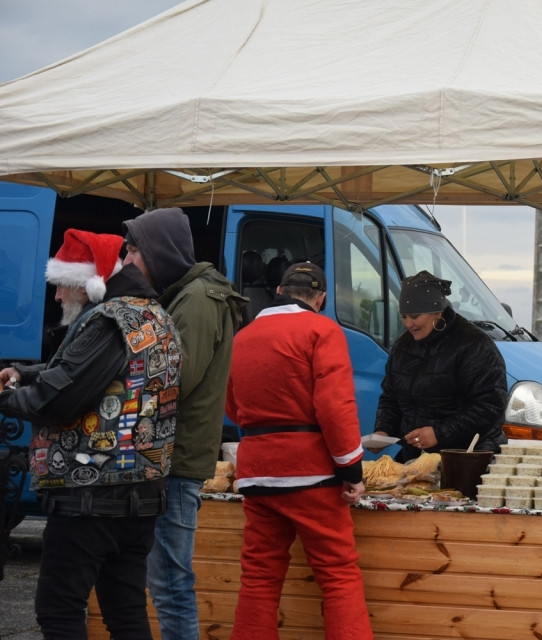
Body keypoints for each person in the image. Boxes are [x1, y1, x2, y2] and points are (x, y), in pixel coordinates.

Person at [0, 229, 182, 639]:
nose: (57, 298)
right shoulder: (153, 313)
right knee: (126, 612)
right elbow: (98, 373)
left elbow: (57, 400)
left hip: (91, 494)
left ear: (85, 283)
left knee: (59, 609)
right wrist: (25, 373)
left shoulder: (108, 320)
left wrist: (7, 397)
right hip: (141, 490)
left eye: (62, 286)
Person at [224, 262, 372, 640]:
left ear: (278, 291)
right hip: (312, 473)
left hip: (256, 469)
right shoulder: (322, 329)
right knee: (338, 574)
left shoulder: (243, 336)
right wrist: (352, 471)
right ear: (320, 299)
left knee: (259, 576)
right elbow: (335, 407)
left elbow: (231, 405)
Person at [121, 207, 246, 640]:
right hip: (169, 457)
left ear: (157, 250)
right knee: (165, 581)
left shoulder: (196, 299)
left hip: (175, 460)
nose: (127, 259)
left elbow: (174, 378)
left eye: (134, 249)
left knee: (171, 584)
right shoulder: (188, 294)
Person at [372, 270, 507, 462]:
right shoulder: (403, 346)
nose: (409, 324)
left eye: (415, 316)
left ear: (437, 312)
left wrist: (439, 433)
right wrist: (383, 431)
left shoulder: (474, 345)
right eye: (403, 316)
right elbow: (391, 398)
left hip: (467, 459)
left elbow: (490, 407)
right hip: (417, 458)